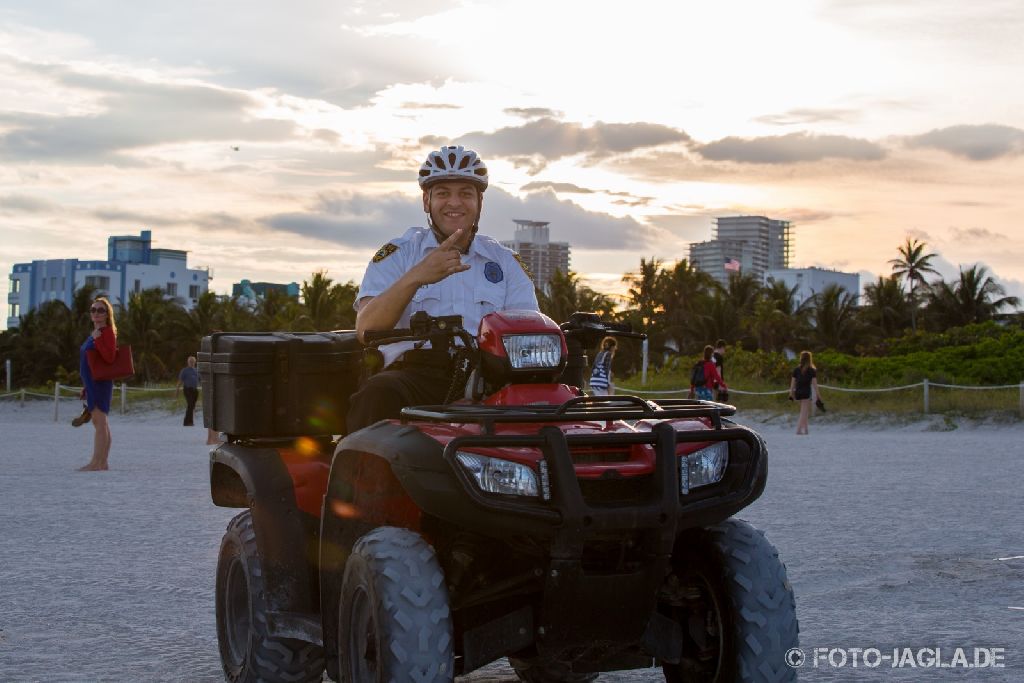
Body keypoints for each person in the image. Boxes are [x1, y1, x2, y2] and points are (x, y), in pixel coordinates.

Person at [346, 145, 539, 432]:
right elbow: (366, 328)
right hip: (416, 375)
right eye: (443, 193)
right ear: (427, 201)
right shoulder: (399, 254)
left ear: (479, 202)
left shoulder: (506, 262)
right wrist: (416, 277)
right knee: (377, 394)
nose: (455, 203)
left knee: (552, 405)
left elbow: (530, 331)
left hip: (491, 376)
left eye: (465, 192)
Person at [76, 297, 116, 471]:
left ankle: (96, 462)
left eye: (100, 310)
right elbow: (91, 362)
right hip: (92, 383)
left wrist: (97, 339)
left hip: (100, 383)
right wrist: (86, 385)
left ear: (107, 314)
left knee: (99, 422)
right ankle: (102, 462)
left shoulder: (106, 332)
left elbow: (109, 357)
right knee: (100, 422)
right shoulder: (95, 333)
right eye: (93, 310)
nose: (96, 313)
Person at [788, 350, 820, 435]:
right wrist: (818, 395)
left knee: (805, 411)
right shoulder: (812, 370)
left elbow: (792, 383)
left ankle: (806, 430)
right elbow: (815, 385)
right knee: (803, 412)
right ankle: (798, 430)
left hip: (798, 392)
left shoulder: (796, 370)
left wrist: (791, 393)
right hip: (806, 393)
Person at [176, 355, 200, 426]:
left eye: (193, 361)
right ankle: (187, 422)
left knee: (192, 405)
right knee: (190, 404)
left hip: (195, 390)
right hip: (187, 389)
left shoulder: (197, 370)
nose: (191, 363)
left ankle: (190, 421)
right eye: (190, 361)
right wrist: (177, 390)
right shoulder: (184, 370)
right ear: (188, 362)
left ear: (195, 362)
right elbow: (180, 381)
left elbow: (200, 380)